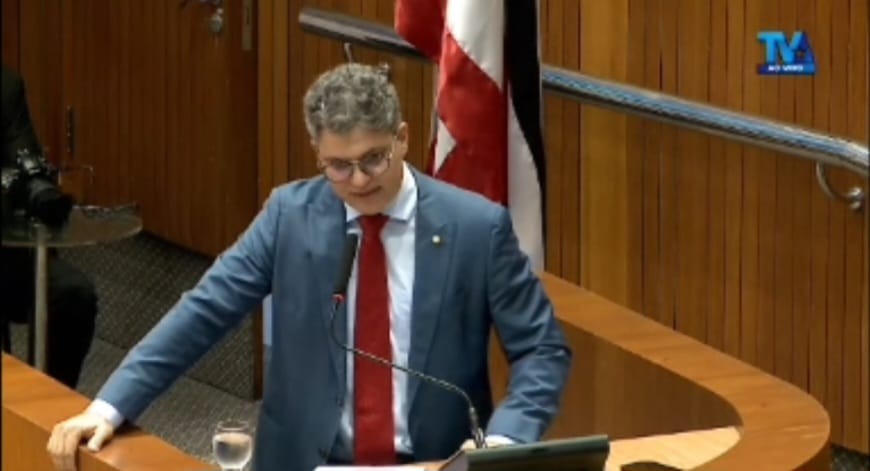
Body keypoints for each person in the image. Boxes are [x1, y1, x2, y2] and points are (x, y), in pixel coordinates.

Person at [46, 63, 571, 471]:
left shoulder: (476, 228)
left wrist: (504, 443)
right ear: (317, 153)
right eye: (339, 166)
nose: (359, 180)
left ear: (403, 137)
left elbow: (541, 349)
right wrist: (108, 407)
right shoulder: (289, 217)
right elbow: (202, 313)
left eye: (374, 158)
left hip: (435, 463)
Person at [1, 64, 98, 389]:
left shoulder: (6, 86)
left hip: (7, 253)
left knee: (72, 295)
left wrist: (39, 194)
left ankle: (46, 404)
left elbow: (25, 164)